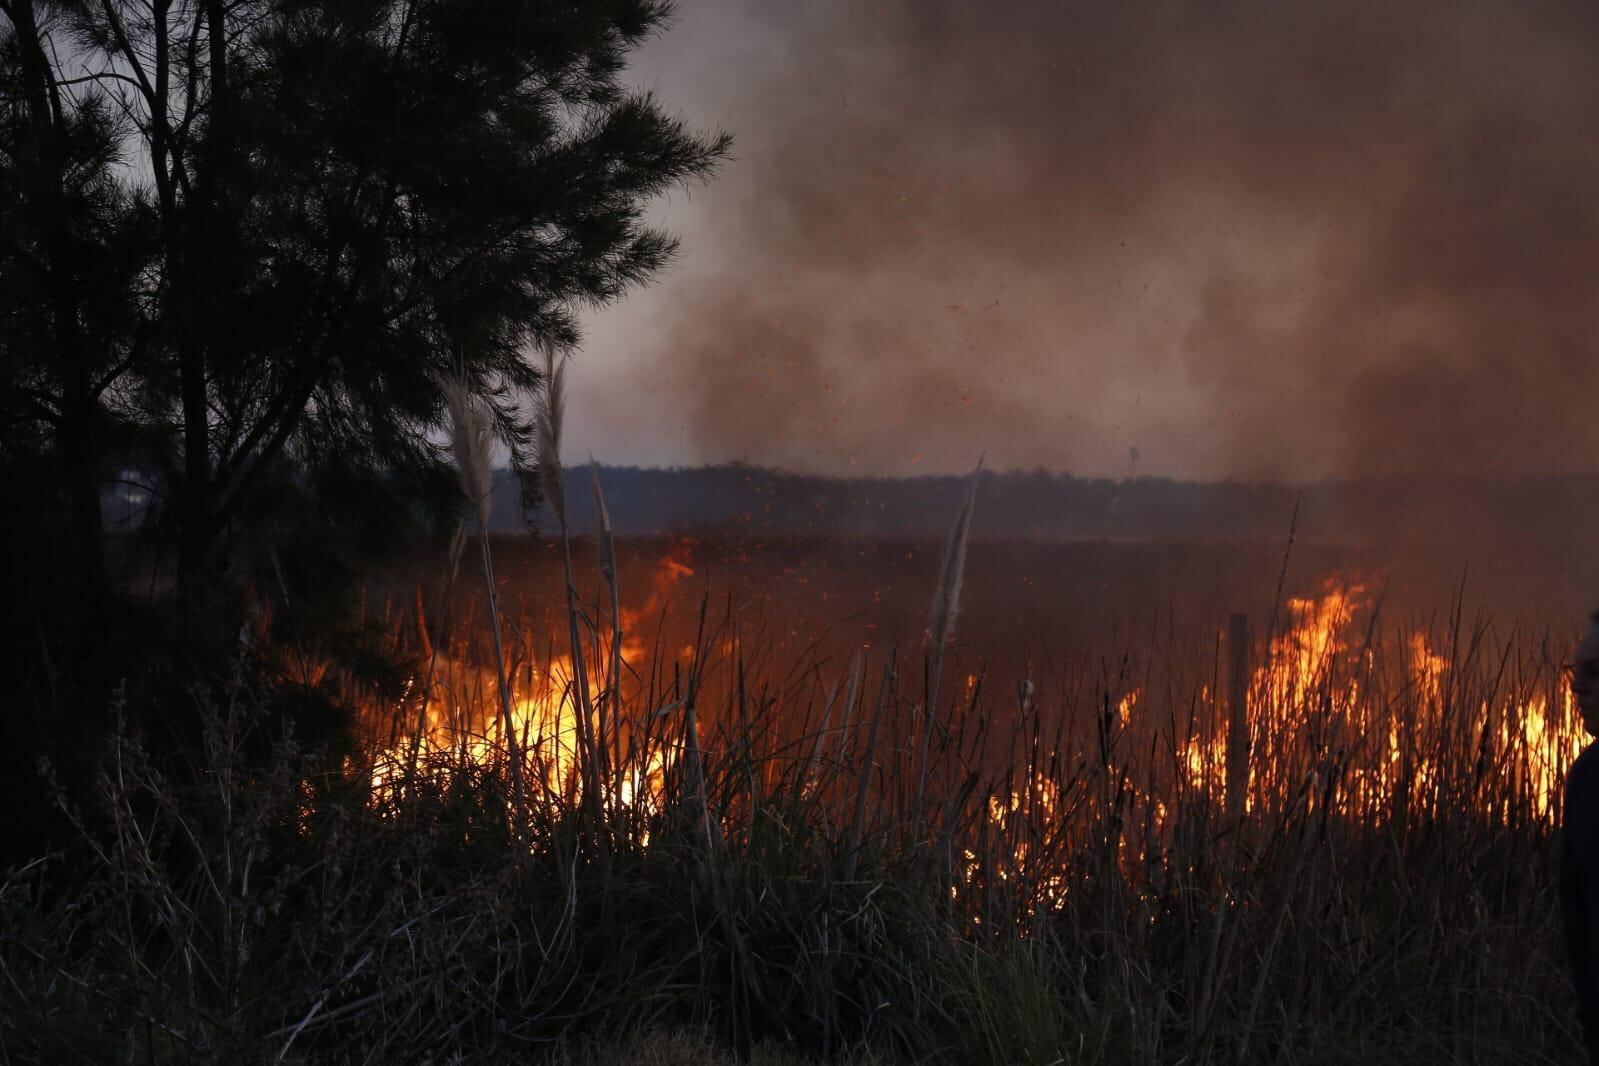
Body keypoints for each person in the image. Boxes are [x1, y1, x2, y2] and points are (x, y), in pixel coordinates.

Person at [1561, 611, 1599, 1064]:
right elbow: (1576, 920)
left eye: (1595, 672)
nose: (1577, 687)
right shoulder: (1586, 780)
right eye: (1576, 671)